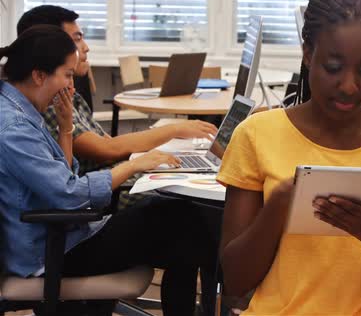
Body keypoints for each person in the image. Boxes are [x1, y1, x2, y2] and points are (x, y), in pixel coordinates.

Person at [216, 0, 361, 314]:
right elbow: (235, 280)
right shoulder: (255, 135)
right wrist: (278, 206)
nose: (350, 85)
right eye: (333, 67)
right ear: (308, 54)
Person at [0, 25, 214, 316]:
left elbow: (63, 178)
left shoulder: (21, 110)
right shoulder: (14, 127)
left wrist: (65, 128)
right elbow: (69, 193)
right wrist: (135, 164)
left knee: (183, 235)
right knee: (180, 217)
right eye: (66, 74)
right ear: (39, 75)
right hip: (51, 252)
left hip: (63, 236)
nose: (69, 86)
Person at [17, 5, 218, 177]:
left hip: (107, 177)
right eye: (77, 39)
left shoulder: (68, 95)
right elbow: (106, 150)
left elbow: (110, 142)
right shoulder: (48, 102)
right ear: (50, 45)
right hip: (101, 187)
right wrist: (175, 130)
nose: (85, 48)